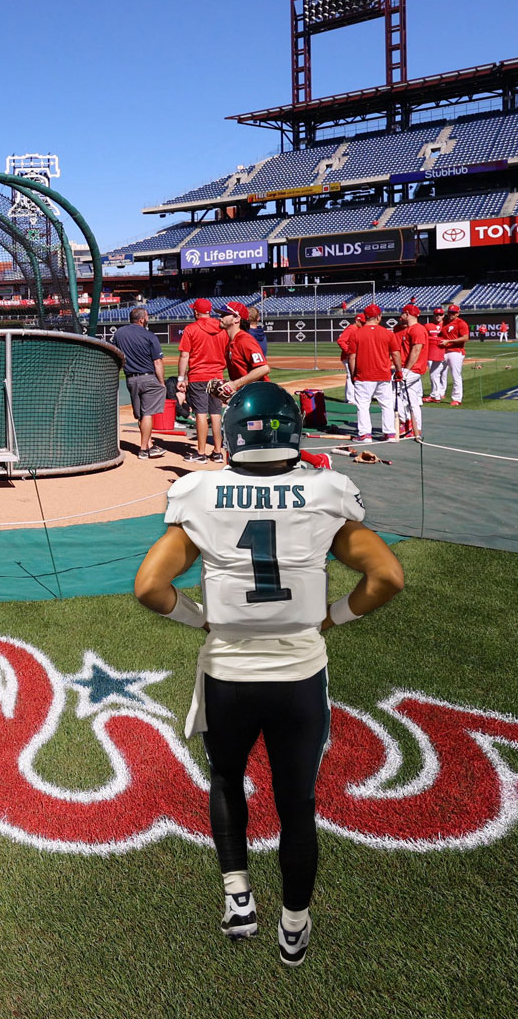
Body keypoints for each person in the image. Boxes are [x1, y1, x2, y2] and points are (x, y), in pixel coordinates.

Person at [134, 382, 404, 968]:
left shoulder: (198, 491)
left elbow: (150, 587)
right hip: (300, 676)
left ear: (232, 435)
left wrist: (199, 620)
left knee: (227, 781)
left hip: (228, 672)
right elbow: (386, 577)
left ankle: (238, 898)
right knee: (297, 805)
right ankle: (293, 926)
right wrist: (330, 619)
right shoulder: (326, 490)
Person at [175, 298, 230, 464]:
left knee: (200, 413)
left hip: (199, 376)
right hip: (217, 376)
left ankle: (200, 452)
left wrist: (180, 378)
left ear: (195, 312)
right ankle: (218, 451)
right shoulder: (222, 328)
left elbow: (185, 355)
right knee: (215, 414)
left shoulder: (191, 328)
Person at [113, 307, 168, 459]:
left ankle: (149, 444)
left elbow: (115, 354)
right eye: (147, 316)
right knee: (148, 414)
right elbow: (157, 362)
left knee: (141, 415)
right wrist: (161, 382)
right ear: (142, 319)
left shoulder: (119, 333)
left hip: (131, 379)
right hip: (148, 378)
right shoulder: (150, 336)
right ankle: (144, 449)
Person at [346, 305, 400, 442]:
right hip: (383, 374)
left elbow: (352, 357)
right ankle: (390, 434)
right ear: (378, 317)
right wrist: (399, 370)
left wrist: (353, 374)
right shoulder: (388, 333)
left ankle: (365, 434)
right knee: (386, 404)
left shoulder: (356, 333)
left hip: (363, 375)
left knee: (363, 405)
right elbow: (395, 354)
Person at [217, 300, 272, 401]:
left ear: (237, 319)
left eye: (225, 314)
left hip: (260, 396)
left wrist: (234, 384)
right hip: (248, 396)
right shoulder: (231, 342)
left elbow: (264, 368)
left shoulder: (244, 340)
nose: (220, 317)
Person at [394, 305, 430, 438]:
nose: (401, 315)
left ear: (407, 314)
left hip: (413, 369)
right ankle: (415, 428)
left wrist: (406, 370)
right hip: (410, 369)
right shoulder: (410, 329)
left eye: (403, 313)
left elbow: (416, 351)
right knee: (412, 400)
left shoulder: (417, 329)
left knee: (393, 393)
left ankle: (406, 422)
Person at [441, 304, 470, 406]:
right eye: (450, 312)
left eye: (454, 313)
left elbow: (465, 338)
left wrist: (449, 341)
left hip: (456, 351)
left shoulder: (461, 323)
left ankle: (457, 398)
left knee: (455, 375)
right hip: (444, 350)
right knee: (440, 373)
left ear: (458, 313)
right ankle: (439, 393)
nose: (451, 314)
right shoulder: (444, 322)